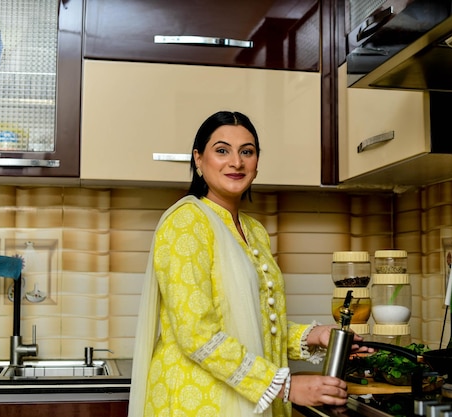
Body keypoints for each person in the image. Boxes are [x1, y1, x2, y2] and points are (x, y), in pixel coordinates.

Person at [128, 111, 368, 417]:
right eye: (222, 150)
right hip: (196, 402)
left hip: (250, 400)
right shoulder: (186, 222)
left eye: (247, 152)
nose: (236, 162)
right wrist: (288, 387)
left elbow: (258, 324)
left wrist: (314, 336)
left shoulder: (254, 231)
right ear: (198, 160)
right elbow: (196, 334)